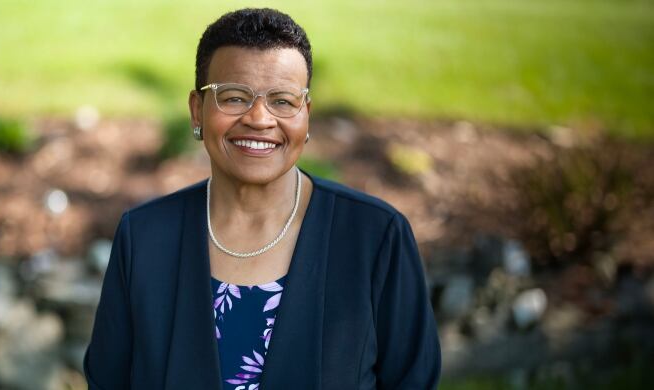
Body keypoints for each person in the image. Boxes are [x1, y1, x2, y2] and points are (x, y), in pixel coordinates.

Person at [84, 8, 440, 389]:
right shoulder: (145, 238)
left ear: (307, 115)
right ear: (196, 111)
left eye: (283, 101)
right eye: (234, 97)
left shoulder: (376, 238)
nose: (259, 118)